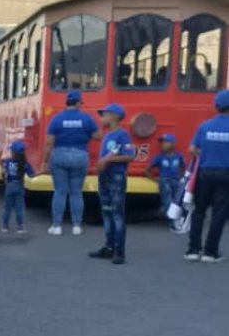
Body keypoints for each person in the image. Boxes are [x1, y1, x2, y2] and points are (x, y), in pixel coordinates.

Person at [42, 89, 99, 235]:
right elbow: (98, 136)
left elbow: (49, 142)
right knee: (76, 192)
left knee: (60, 191)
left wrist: (45, 161)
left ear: (67, 102)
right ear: (79, 103)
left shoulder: (57, 118)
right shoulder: (86, 118)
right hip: (80, 155)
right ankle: (77, 226)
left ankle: (57, 226)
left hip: (60, 155)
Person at [184, 89, 229, 263]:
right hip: (225, 174)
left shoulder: (205, 126)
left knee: (199, 211)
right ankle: (210, 252)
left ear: (216, 106)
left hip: (204, 173)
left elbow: (192, 150)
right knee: (219, 214)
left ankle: (193, 249)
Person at [89, 104, 135, 265]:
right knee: (106, 212)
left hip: (116, 177)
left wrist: (107, 160)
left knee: (117, 214)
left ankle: (119, 251)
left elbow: (130, 156)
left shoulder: (124, 135)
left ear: (114, 116)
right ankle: (109, 247)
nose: (102, 118)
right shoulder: (107, 135)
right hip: (105, 177)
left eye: (104, 115)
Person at [146, 133, 185, 219]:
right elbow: (147, 170)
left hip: (176, 180)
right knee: (167, 200)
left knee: (178, 199)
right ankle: (172, 220)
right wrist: (156, 179)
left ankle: (180, 217)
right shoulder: (160, 157)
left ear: (173, 144)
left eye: (166, 142)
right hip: (164, 180)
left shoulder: (179, 156)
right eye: (162, 142)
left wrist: (182, 177)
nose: (163, 144)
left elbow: (184, 167)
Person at [1, 140, 36, 234]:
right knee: (19, 207)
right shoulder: (25, 164)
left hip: (10, 185)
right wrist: (42, 172)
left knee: (7, 207)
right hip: (19, 185)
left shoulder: (7, 161)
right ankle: (20, 227)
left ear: (13, 152)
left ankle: (5, 226)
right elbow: (32, 175)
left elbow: (3, 172)